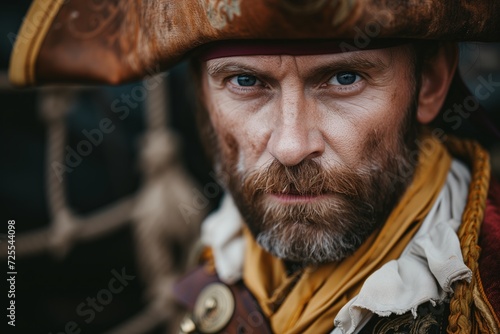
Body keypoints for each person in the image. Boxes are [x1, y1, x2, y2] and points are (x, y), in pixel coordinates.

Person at [9, 1, 500, 333]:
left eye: (344, 78)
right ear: (200, 95)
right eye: (245, 80)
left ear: (432, 82)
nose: (289, 146)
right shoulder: (224, 253)